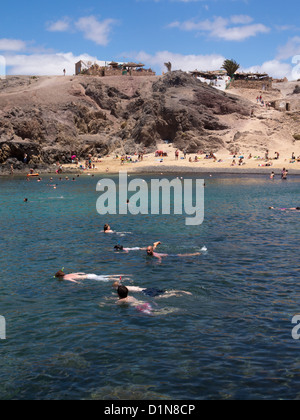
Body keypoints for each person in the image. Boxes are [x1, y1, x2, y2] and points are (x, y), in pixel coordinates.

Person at [113, 280, 192, 299]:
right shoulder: (125, 286)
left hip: (145, 291)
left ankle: (173, 294)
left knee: (158, 298)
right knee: (166, 291)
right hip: (148, 288)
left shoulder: (121, 289)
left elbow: (122, 294)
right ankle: (181, 291)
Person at [54, 270, 123, 284]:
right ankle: (119, 275)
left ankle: (118, 278)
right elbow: (78, 272)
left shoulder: (66, 278)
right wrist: (81, 273)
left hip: (89, 278)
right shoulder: (69, 274)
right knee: (104, 276)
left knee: (106, 279)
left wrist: (79, 283)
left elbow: (73, 281)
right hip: (89, 274)